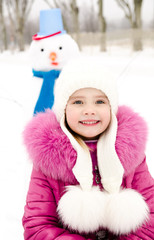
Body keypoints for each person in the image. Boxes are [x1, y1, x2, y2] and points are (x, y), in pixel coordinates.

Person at [22, 57, 154, 240]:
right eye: (78, 102)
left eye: (99, 102)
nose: (89, 110)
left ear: (111, 107)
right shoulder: (47, 160)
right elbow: (37, 226)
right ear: (63, 109)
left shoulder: (133, 154)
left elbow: (151, 219)